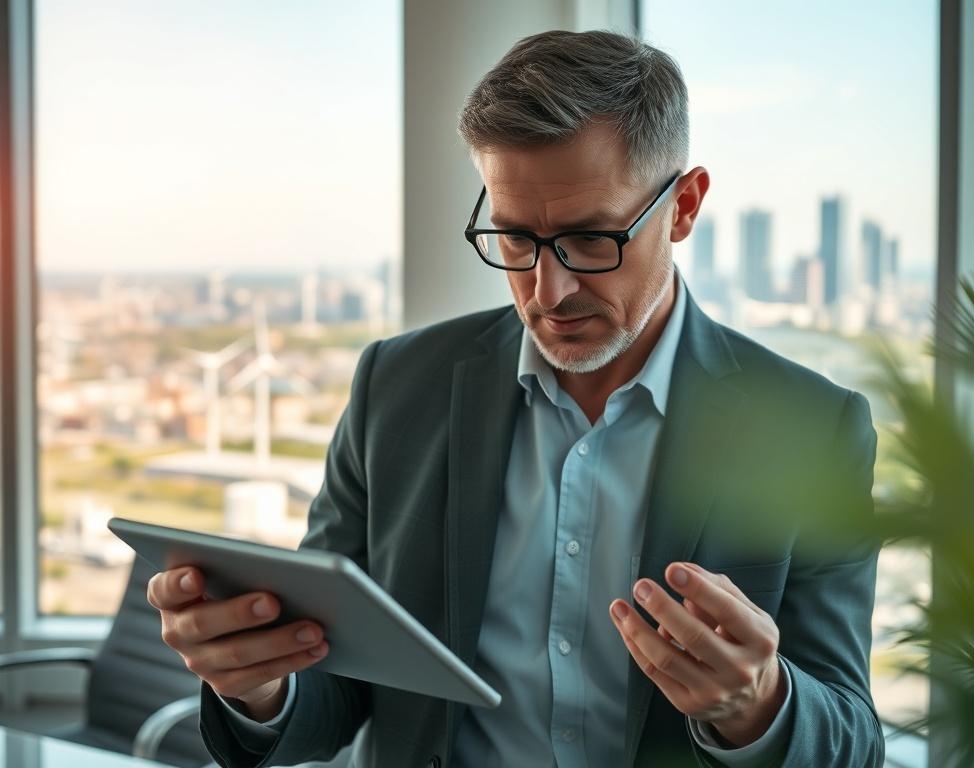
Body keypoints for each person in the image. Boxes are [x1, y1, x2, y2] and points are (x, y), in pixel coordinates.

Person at [148, 30, 884, 767]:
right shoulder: (397, 387)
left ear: (684, 207)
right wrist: (260, 684)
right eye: (514, 237)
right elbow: (337, 693)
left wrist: (760, 707)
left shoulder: (813, 430)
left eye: (591, 240)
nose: (548, 291)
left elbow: (854, 741)